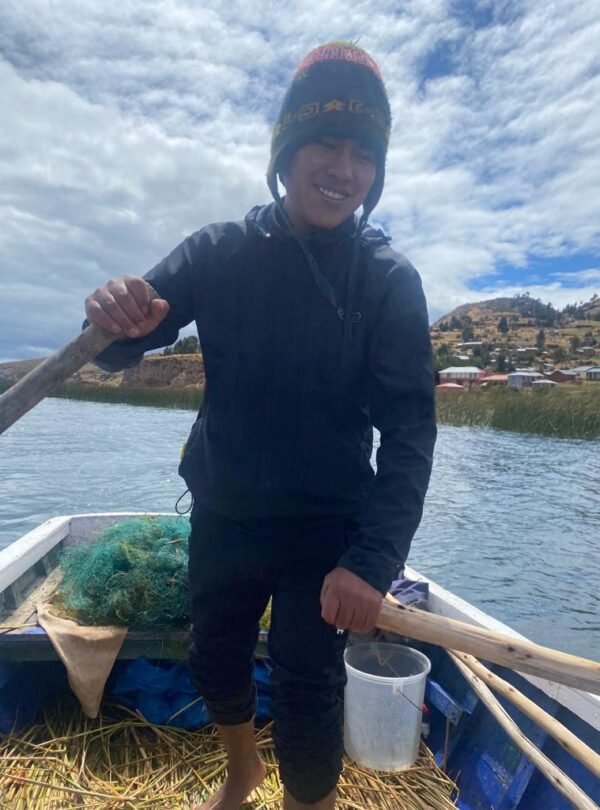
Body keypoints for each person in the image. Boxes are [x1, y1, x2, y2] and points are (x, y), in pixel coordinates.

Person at [85, 41, 436, 810]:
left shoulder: (387, 281)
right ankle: (242, 772)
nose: (343, 169)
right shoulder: (222, 251)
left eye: (363, 154)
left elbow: (411, 433)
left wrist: (372, 562)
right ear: (285, 151)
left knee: (309, 689)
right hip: (227, 507)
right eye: (325, 143)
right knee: (214, 656)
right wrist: (114, 318)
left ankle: (305, 804)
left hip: (326, 528)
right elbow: (132, 334)